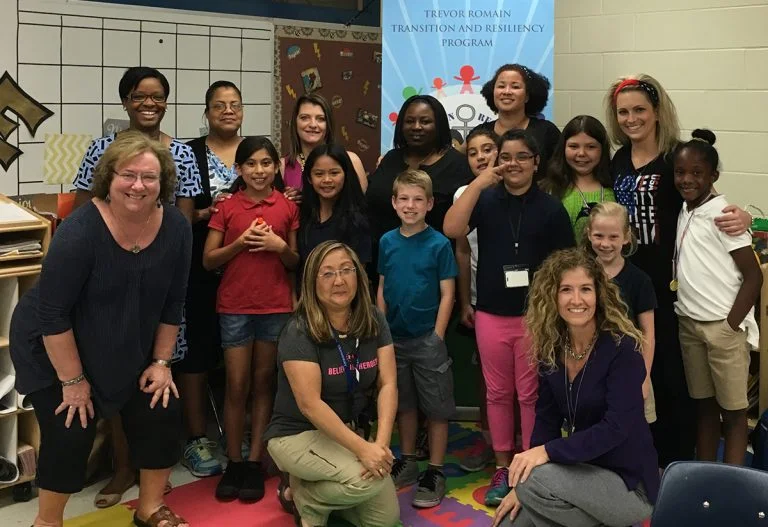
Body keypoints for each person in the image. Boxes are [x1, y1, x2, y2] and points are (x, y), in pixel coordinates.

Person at [10, 131, 192, 527]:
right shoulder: (80, 231)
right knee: (71, 427)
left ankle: (149, 509)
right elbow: (52, 314)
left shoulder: (177, 227)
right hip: (53, 345)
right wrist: (73, 381)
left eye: (149, 177)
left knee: (161, 408)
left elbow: (173, 302)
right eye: (128, 175)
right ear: (108, 178)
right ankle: (47, 522)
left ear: (163, 182)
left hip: (124, 337)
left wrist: (161, 363)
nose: (138, 185)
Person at [71, 66, 202, 506]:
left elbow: (183, 222)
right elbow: (85, 212)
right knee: (115, 379)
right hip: (108, 286)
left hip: (160, 287)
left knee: (158, 379)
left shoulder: (181, 154)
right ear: (125, 101)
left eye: (158, 96)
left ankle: (153, 472)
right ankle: (123, 467)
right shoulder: (102, 149)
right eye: (139, 95)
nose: (149, 103)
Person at [606, 74, 751, 465]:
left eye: (640, 110)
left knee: (673, 377)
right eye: (623, 112)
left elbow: (707, 198)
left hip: (670, 286)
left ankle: (674, 459)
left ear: (657, 112)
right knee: (633, 371)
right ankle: (638, 454)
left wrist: (742, 215)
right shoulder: (618, 160)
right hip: (627, 281)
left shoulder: (674, 158)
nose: (631, 119)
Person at [444, 129, 575, 506]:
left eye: (522, 157)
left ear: (536, 162)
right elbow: (452, 228)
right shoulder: (484, 199)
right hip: (491, 312)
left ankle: (528, 466)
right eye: (506, 157)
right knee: (499, 393)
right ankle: (503, 465)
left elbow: (566, 264)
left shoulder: (550, 208)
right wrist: (480, 181)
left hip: (535, 316)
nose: (513, 164)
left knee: (531, 394)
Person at [493, 248, 659, 527]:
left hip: (628, 484)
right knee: (509, 521)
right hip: (578, 472)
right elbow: (546, 421)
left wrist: (546, 454)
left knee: (533, 482)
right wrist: (521, 483)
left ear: (599, 295)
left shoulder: (624, 350)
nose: (577, 299)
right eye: (566, 290)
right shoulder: (552, 349)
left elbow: (616, 428)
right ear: (553, 296)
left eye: (585, 289)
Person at [264, 240, 400, 527]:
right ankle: (303, 497)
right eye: (327, 273)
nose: (339, 281)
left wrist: (380, 445)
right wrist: (363, 450)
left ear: (358, 275)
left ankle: (315, 492)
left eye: (346, 270)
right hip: (296, 434)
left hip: (344, 433)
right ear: (312, 282)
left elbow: (388, 383)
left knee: (385, 520)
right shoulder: (298, 329)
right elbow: (310, 405)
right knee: (367, 482)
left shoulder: (374, 318)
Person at [203, 136, 299, 502]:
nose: (259, 171)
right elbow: (209, 260)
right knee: (236, 384)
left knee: (263, 384)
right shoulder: (227, 207)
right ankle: (234, 461)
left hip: (275, 308)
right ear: (239, 169)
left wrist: (279, 246)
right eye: (251, 164)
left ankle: (255, 461)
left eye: (266, 163)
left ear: (276, 167)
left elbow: (294, 261)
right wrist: (240, 243)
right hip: (235, 307)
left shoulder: (287, 207)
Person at [671, 129, 762, 465]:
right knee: (705, 408)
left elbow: (753, 275)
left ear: (714, 176)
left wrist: (730, 325)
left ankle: (732, 483)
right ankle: (706, 475)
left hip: (722, 327)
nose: (687, 179)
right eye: (680, 172)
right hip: (690, 324)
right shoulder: (686, 208)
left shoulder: (724, 216)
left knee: (734, 413)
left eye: (697, 172)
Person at [377, 170, 457, 508]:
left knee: (436, 407)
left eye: (418, 199)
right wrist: (381, 331)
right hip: (394, 340)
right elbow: (382, 287)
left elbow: (448, 292)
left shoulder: (439, 244)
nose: (410, 206)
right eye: (404, 199)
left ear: (430, 204)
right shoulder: (386, 241)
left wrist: (437, 335)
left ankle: (435, 471)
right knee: (404, 404)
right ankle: (408, 461)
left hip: (427, 340)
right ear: (394, 203)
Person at [179, 80, 244, 478]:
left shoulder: (257, 152)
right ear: (206, 112)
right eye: (219, 105)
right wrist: (208, 214)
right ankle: (196, 436)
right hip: (200, 267)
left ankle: (243, 432)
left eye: (234, 104)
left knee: (245, 351)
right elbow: (178, 214)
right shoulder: (188, 153)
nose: (227, 110)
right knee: (197, 350)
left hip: (248, 269)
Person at [367, 95, 473, 277]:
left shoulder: (458, 165)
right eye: (409, 121)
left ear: (439, 125)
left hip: (434, 272)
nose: (416, 127)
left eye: (425, 121)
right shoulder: (391, 158)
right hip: (385, 265)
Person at [585, 202, 658, 425]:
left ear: (626, 237)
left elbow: (648, 333)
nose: (605, 244)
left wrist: (644, 378)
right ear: (588, 234)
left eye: (613, 237)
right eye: (599, 236)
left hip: (629, 370)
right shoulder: (581, 275)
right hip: (590, 369)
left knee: (631, 430)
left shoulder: (640, 280)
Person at [454, 128, 499, 472]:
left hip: (520, 301)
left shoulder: (519, 188)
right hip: (481, 298)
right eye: (473, 152)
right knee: (488, 381)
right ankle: (490, 442)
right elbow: (462, 249)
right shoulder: (464, 194)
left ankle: (520, 445)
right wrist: (464, 301)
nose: (481, 157)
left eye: (487, 149)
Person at [297, 144, 371, 282]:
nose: (327, 180)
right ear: (309, 178)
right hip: (306, 294)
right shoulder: (302, 215)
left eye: (334, 173)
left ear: (346, 175)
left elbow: (358, 277)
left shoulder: (357, 221)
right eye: (319, 174)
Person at [471, 63, 560, 176]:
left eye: (515, 87)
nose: (507, 92)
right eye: (501, 86)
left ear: (527, 96)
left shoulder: (546, 131)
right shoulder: (480, 132)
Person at [282, 93, 367, 202]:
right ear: (295, 122)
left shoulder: (351, 160)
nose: (313, 125)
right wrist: (284, 201)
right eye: (305, 118)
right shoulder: (283, 166)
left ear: (328, 124)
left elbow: (363, 207)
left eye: (320, 119)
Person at [542, 115, 616, 240]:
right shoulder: (549, 189)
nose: (581, 153)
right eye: (573, 146)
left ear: (602, 150)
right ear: (563, 148)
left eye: (591, 147)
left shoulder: (615, 185)